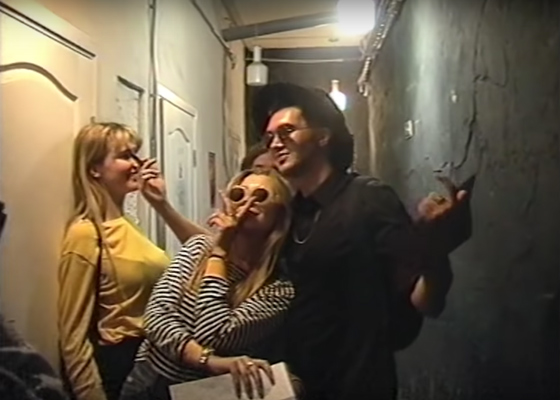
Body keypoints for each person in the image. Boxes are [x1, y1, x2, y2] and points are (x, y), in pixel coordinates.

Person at [250, 82, 471, 400]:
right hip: (295, 387)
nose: (275, 144)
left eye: (287, 132)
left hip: (358, 386)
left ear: (323, 136)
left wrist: (435, 251)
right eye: (269, 137)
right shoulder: (293, 212)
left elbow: (425, 301)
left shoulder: (367, 199)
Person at [119, 167, 295, 400]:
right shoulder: (198, 247)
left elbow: (212, 334)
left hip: (203, 391)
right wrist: (208, 360)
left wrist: (218, 254)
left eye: (260, 196)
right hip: (148, 379)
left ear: (279, 213)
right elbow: (156, 317)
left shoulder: (277, 289)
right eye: (239, 193)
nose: (247, 201)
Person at [58, 122, 204, 400]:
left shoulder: (129, 225)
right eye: (125, 155)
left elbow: (207, 251)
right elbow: (73, 337)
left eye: (136, 154)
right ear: (94, 168)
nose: (137, 164)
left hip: (155, 361)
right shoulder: (86, 234)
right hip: (122, 367)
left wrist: (161, 204)